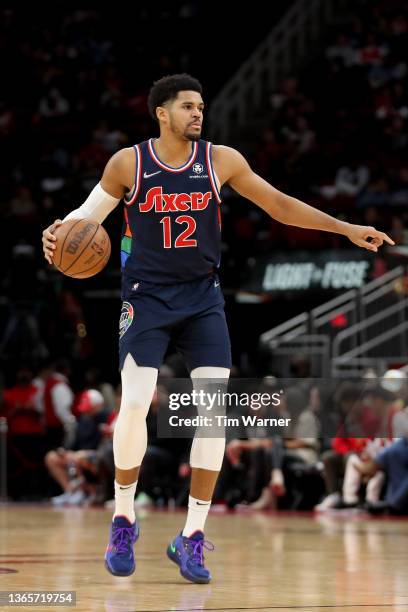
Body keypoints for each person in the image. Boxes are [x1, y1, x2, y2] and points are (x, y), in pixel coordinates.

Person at [41, 73, 394, 584]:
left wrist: (344, 227)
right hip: (147, 298)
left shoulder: (221, 160)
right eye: (187, 106)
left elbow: (279, 205)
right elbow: (86, 218)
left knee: (211, 414)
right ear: (162, 113)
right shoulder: (129, 164)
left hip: (203, 299)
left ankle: (192, 537)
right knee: (137, 400)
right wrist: (57, 231)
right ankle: (122, 518)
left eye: (201, 106)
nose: (198, 114)